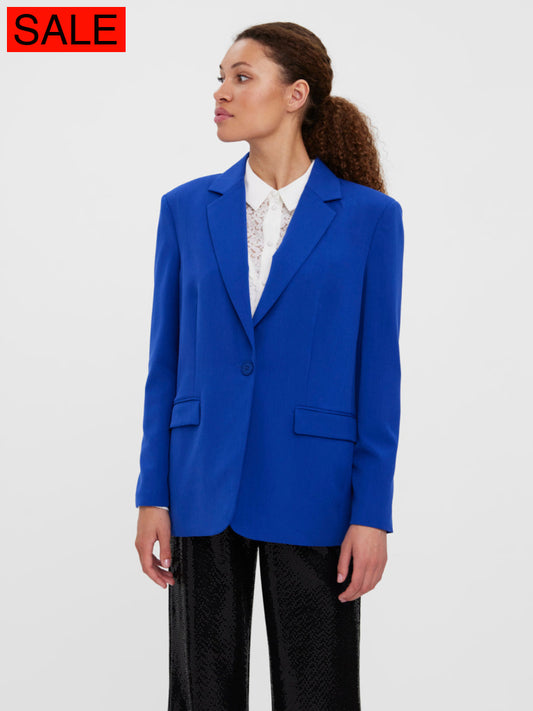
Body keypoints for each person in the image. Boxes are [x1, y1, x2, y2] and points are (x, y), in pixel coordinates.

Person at [135, 21, 404, 711]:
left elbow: (378, 375)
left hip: (314, 485)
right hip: (201, 482)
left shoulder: (370, 218)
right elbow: (165, 363)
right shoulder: (185, 209)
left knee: (318, 692)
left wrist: (372, 511)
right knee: (201, 693)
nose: (221, 93)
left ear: (295, 94)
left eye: (241, 76)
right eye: (220, 78)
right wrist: (151, 492)